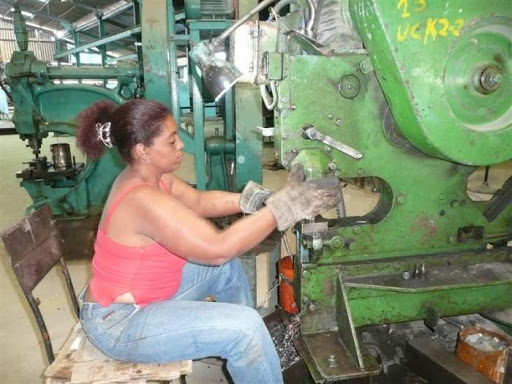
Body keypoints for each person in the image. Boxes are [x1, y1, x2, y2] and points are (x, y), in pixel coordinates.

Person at [75, 99, 341, 384]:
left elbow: (198, 201)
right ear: (143, 151)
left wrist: (256, 200)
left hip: (143, 296)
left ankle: (253, 353)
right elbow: (216, 249)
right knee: (244, 327)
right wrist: (282, 209)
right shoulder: (141, 198)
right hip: (121, 322)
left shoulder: (152, 176)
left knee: (226, 271)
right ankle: (246, 341)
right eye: (171, 141)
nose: (181, 146)